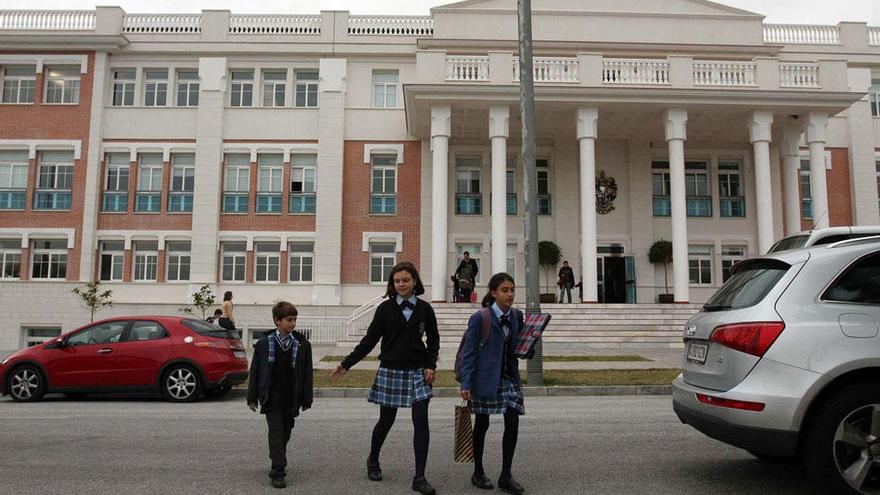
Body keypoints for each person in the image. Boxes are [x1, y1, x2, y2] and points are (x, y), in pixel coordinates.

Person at [330, 261, 440, 495]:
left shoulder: (425, 309)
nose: (401, 284)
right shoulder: (384, 309)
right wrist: (346, 364)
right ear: (392, 284)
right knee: (386, 421)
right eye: (397, 281)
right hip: (390, 370)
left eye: (405, 280)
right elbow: (369, 341)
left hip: (418, 372)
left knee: (421, 423)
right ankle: (373, 460)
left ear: (414, 282)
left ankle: (419, 477)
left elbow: (433, 340)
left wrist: (431, 365)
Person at [458, 272, 530, 495]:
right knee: (482, 424)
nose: (510, 294)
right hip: (486, 378)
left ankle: (505, 475)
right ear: (493, 293)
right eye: (505, 290)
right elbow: (469, 353)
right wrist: (466, 385)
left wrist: (531, 342)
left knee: (512, 423)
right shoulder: (481, 318)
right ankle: (478, 471)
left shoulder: (517, 316)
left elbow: (520, 350)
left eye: (512, 290)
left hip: (509, 379)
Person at [247, 301, 314, 489]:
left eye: (294, 320)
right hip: (271, 396)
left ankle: (277, 455)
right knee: (275, 432)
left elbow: (307, 372)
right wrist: (252, 397)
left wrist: (306, 398)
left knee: (286, 431)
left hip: (291, 397)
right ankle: (278, 471)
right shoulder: (264, 343)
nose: (292, 324)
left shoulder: (301, 344)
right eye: (289, 320)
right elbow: (255, 371)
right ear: (277, 321)